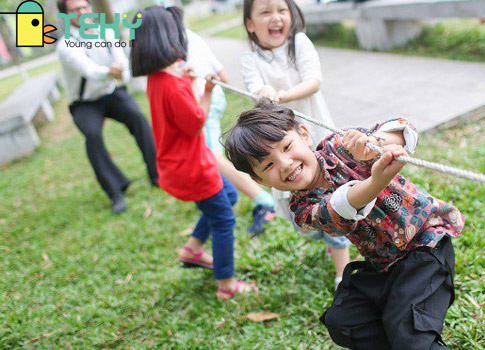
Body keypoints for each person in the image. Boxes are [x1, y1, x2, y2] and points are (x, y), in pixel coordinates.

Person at [224, 100, 465, 349]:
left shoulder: (340, 145)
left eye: (287, 147)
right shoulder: (303, 209)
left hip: (426, 244)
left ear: (304, 135)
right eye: (268, 165)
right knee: (344, 321)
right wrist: (376, 182)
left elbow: (403, 128)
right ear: (260, 180)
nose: (285, 164)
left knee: (410, 335)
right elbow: (340, 206)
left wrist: (376, 143)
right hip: (384, 265)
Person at [130, 6, 257, 300]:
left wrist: (186, 83)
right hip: (193, 167)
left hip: (180, 164)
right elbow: (195, 123)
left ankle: (192, 249)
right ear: (168, 39)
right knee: (224, 219)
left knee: (229, 196)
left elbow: (178, 113)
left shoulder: (158, 80)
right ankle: (226, 285)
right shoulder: (172, 86)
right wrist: (207, 92)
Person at [241, 0, 351, 288]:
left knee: (328, 194)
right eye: (265, 12)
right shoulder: (250, 58)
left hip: (312, 133)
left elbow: (313, 81)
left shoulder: (299, 43)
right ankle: (323, 232)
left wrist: (281, 95)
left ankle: (343, 271)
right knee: (298, 211)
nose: (275, 17)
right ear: (251, 24)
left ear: (291, 15)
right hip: (280, 147)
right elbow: (256, 88)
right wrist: (263, 92)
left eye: (281, 10)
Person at [56, 0, 158, 214]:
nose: (83, 13)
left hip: (111, 94)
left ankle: (157, 174)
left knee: (138, 117)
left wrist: (122, 72)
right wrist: (110, 72)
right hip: (85, 103)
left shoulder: (106, 33)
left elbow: (124, 65)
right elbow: (89, 70)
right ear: (65, 16)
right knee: (92, 135)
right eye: (75, 10)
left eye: (85, 7)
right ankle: (116, 192)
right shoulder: (66, 46)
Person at [185, 28, 276, 237]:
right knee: (210, 156)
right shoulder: (193, 35)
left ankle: (265, 202)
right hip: (214, 98)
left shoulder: (171, 44)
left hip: (203, 103)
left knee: (213, 157)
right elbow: (223, 75)